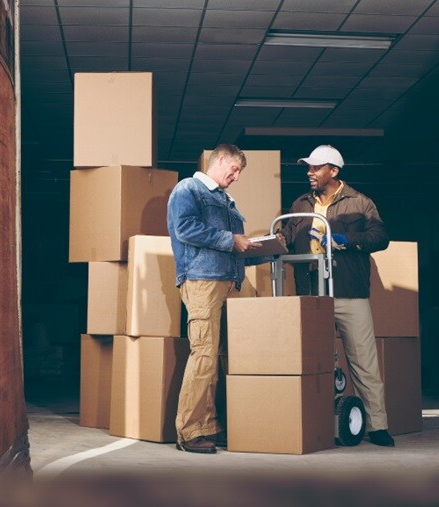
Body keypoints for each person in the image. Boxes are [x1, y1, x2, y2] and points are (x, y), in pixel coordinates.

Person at [277, 144, 396, 447]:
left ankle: (377, 425)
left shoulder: (359, 202)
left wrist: (346, 239)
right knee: (315, 362)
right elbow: (288, 238)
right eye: (309, 167)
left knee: (364, 361)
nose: (310, 173)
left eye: (316, 168)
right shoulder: (300, 203)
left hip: (348, 292)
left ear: (334, 171)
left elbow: (380, 237)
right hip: (311, 295)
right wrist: (274, 241)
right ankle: (316, 422)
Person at [166, 144, 267, 454]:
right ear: (220, 160)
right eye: (234, 170)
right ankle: (190, 430)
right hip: (203, 281)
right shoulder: (189, 189)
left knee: (225, 357)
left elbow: (232, 248)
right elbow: (185, 229)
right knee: (205, 354)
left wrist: (258, 250)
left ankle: (211, 426)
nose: (236, 177)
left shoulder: (227, 201)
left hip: (230, 282)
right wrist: (230, 239)